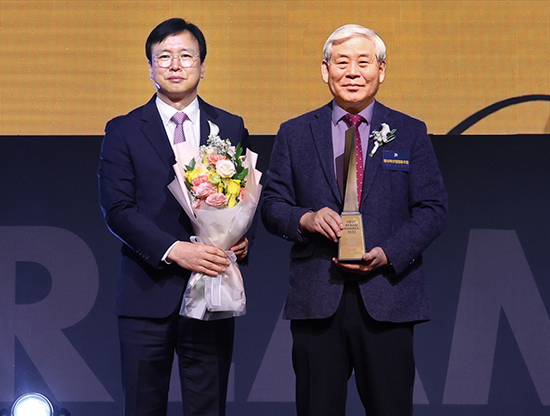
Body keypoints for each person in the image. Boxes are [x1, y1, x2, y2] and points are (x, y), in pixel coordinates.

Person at [261, 24, 448, 415]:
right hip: (318, 296)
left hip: (388, 296)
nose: (352, 72)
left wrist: (389, 252)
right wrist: (306, 218)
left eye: (363, 62)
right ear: (325, 70)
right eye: (341, 62)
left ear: (381, 70)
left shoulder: (409, 132)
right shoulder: (294, 133)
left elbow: (432, 209)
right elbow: (272, 206)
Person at [98, 17, 250, 416]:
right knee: (143, 407)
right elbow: (118, 209)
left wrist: (239, 240)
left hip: (212, 291)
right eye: (164, 57)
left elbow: (245, 196)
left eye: (186, 55)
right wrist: (174, 250)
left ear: (202, 65)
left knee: (208, 407)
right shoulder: (124, 130)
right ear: (150, 68)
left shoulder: (230, 126)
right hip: (147, 294)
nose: (175, 65)